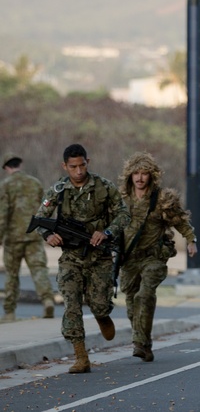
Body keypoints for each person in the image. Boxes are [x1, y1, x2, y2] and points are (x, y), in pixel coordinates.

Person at [36, 144, 129, 374]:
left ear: (88, 161)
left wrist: (106, 232)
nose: (78, 171)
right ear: (64, 166)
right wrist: (48, 235)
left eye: (82, 165)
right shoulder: (58, 190)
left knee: (98, 303)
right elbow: (40, 218)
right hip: (70, 257)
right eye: (73, 167)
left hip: (100, 256)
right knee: (72, 305)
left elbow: (124, 214)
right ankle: (81, 356)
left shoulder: (104, 187)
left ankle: (102, 314)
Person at [118, 152, 198, 362]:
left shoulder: (162, 199)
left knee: (144, 295)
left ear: (151, 176)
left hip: (153, 258)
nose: (140, 178)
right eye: (136, 173)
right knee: (131, 305)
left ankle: (138, 343)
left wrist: (190, 240)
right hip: (128, 259)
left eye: (145, 174)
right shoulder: (121, 200)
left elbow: (180, 221)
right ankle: (144, 343)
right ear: (130, 175)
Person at [1, 153, 55, 322]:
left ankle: (9, 312)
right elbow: (46, 207)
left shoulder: (5, 185)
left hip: (13, 238)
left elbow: (2, 213)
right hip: (34, 235)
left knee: (11, 274)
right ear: (20, 165)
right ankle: (47, 301)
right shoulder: (35, 183)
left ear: (8, 168)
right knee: (39, 270)